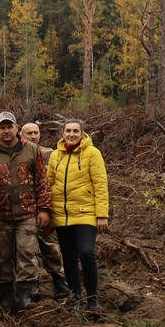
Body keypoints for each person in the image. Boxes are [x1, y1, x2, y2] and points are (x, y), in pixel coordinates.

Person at [0, 112, 50, 312]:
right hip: (0, 215)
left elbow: (42, 182)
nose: (6, 131)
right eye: (2, 127)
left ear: (17, 128)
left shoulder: (32, 150)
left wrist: (44, 209)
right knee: (2, 256)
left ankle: (25, 295)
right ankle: (7, 297)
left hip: (27, 213)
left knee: (27, 253)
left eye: (9, 126)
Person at [48, 120, 110, 314]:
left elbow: (100, 185)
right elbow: (48, 184)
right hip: (61, 215)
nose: (72, 134)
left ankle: (92, 298)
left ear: (83, 133)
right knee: (68, 256)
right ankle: (76, 297)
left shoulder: (93, 154)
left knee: (86, 252)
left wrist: (102, 215)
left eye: (76, 131)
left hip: (86, 214)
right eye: (68, 131)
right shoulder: (55, 156)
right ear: (62, 133)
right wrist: (46, 212)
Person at [21, 122, 70, 299]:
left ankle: (59, 280)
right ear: (21, 135)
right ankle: (32, 284)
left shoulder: (51, 154)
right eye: (29, 133)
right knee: (27, 250)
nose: (33, 136)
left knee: (50, 247)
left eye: (36, 133)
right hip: (24, 209)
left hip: (46, 208)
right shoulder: (19, 153)